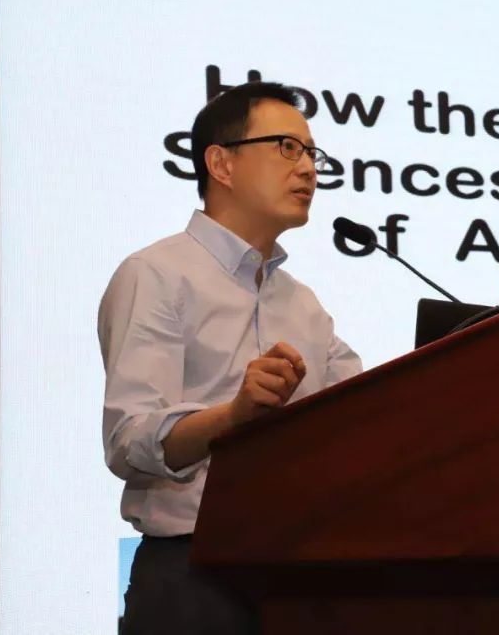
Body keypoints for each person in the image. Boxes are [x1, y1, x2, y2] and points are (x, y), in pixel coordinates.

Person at [98, 82, 362, 635]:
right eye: (287, 148)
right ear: (221, 163)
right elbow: (129, 440)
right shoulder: (157, 275)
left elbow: (364, 414)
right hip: (191, 582)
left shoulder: (304, 305)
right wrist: (233, 416)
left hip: (298, 579)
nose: (308, 169)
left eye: (312, 153)